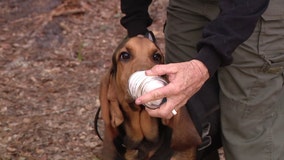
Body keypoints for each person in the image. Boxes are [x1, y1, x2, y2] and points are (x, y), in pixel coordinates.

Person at [120, 0, 284, 159]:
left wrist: (205, 63)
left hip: (253, 8)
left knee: (248, 140)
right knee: (189, 126)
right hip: (189, 6)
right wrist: (136, 23)